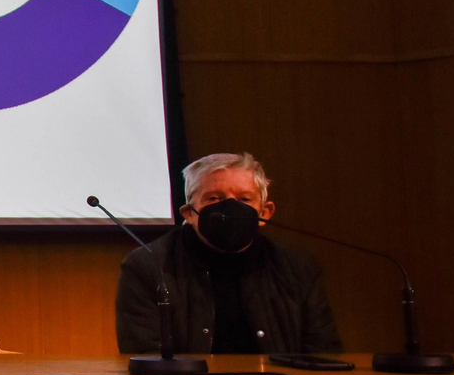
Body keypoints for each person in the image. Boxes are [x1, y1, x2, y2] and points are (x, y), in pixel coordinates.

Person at [116, 152, 340, 355]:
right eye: (214, 198)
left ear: (265, 212)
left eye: (244, 199)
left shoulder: (297, 267)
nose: (230, 209)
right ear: (189, 213)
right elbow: (142, 354)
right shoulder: (148, 265)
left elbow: (323, 354)